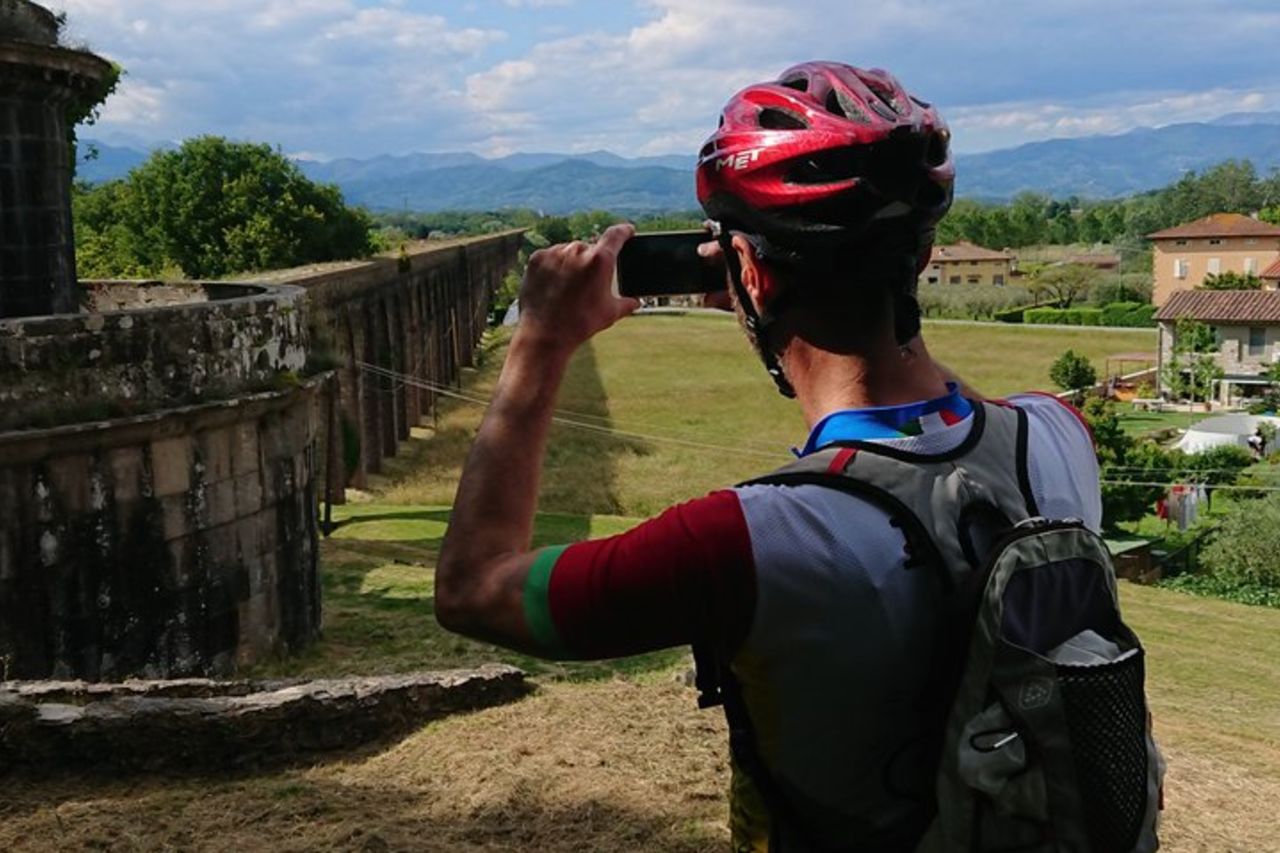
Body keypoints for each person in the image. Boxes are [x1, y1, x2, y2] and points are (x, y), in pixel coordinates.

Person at [436, 62, 1103, 851]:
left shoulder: (745, 542)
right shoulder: (1062, 437)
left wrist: (540, 340)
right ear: (922, 259)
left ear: (746, 270)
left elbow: (475, 589)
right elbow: (960, 422)